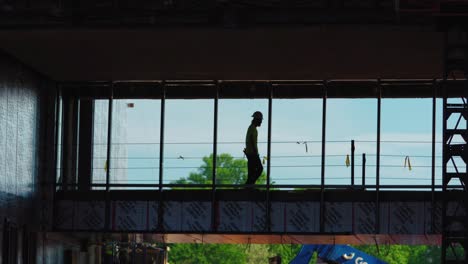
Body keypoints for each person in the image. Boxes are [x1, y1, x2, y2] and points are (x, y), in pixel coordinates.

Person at [244, 111, 264, 186]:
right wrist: (255, 152)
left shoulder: (251, 128)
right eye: (260, 120)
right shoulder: (253, 129)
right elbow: (252, 140)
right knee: (259, 169)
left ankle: (249, 187)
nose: (261, 122)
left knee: (251, 172)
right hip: (253, 154)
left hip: (250, 153)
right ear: (257, 120)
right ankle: (250, 184)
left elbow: (249, 140)